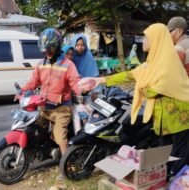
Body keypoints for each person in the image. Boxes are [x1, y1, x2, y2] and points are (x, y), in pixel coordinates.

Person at [79, 23, 189, 176]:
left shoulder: (169, 62)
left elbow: (159, 88)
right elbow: (130, 75)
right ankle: (168, 179)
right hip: (163, 118)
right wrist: (100, 80)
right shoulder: (151, 63)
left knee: (180, 155)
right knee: (165, 153)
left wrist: (142, 89)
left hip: (179, 117)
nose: (143, 41)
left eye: (147, 37)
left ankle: (178, 182)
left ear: (157, 40)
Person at [17, 28, 81, 156]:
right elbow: (34, 80)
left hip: (61, 109)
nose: (48, 52)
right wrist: (23, 90)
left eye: (50, 49)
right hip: (44, 107)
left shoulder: (68, 65)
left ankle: (68, 165)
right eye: (45, 50)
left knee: (60, 138)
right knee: (33, 128)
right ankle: (39, 153)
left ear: (57, 47)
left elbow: (76, 82)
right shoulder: (41, 64)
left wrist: (82, 89)